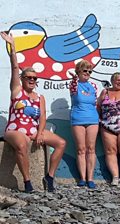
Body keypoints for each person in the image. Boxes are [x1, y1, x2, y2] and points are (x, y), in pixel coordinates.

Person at [1, 31, 66, 192]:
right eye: (28, 77)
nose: (31, 80)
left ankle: (49, 177)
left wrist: (40, 132)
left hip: (32, 129)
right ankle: (27, 181)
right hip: (15, 129)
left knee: (61, 143)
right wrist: (12, 46)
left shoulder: (39, 97)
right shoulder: (17, 91)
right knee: (22, 145)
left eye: (34, 78)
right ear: (22, 79)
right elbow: (15, 67)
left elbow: (42, 116)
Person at [69, 59, 99, 189]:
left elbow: (95, 102)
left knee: (91, 148)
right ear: (79, 71)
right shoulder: (74, 84)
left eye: (89, 71)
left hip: (92, 118)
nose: (87, 73)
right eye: (84, 70)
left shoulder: (94, 85)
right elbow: (73, 80)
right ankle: (82, 178)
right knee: (81, 149)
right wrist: (75, 76)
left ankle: (90, 178)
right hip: (78, 118)